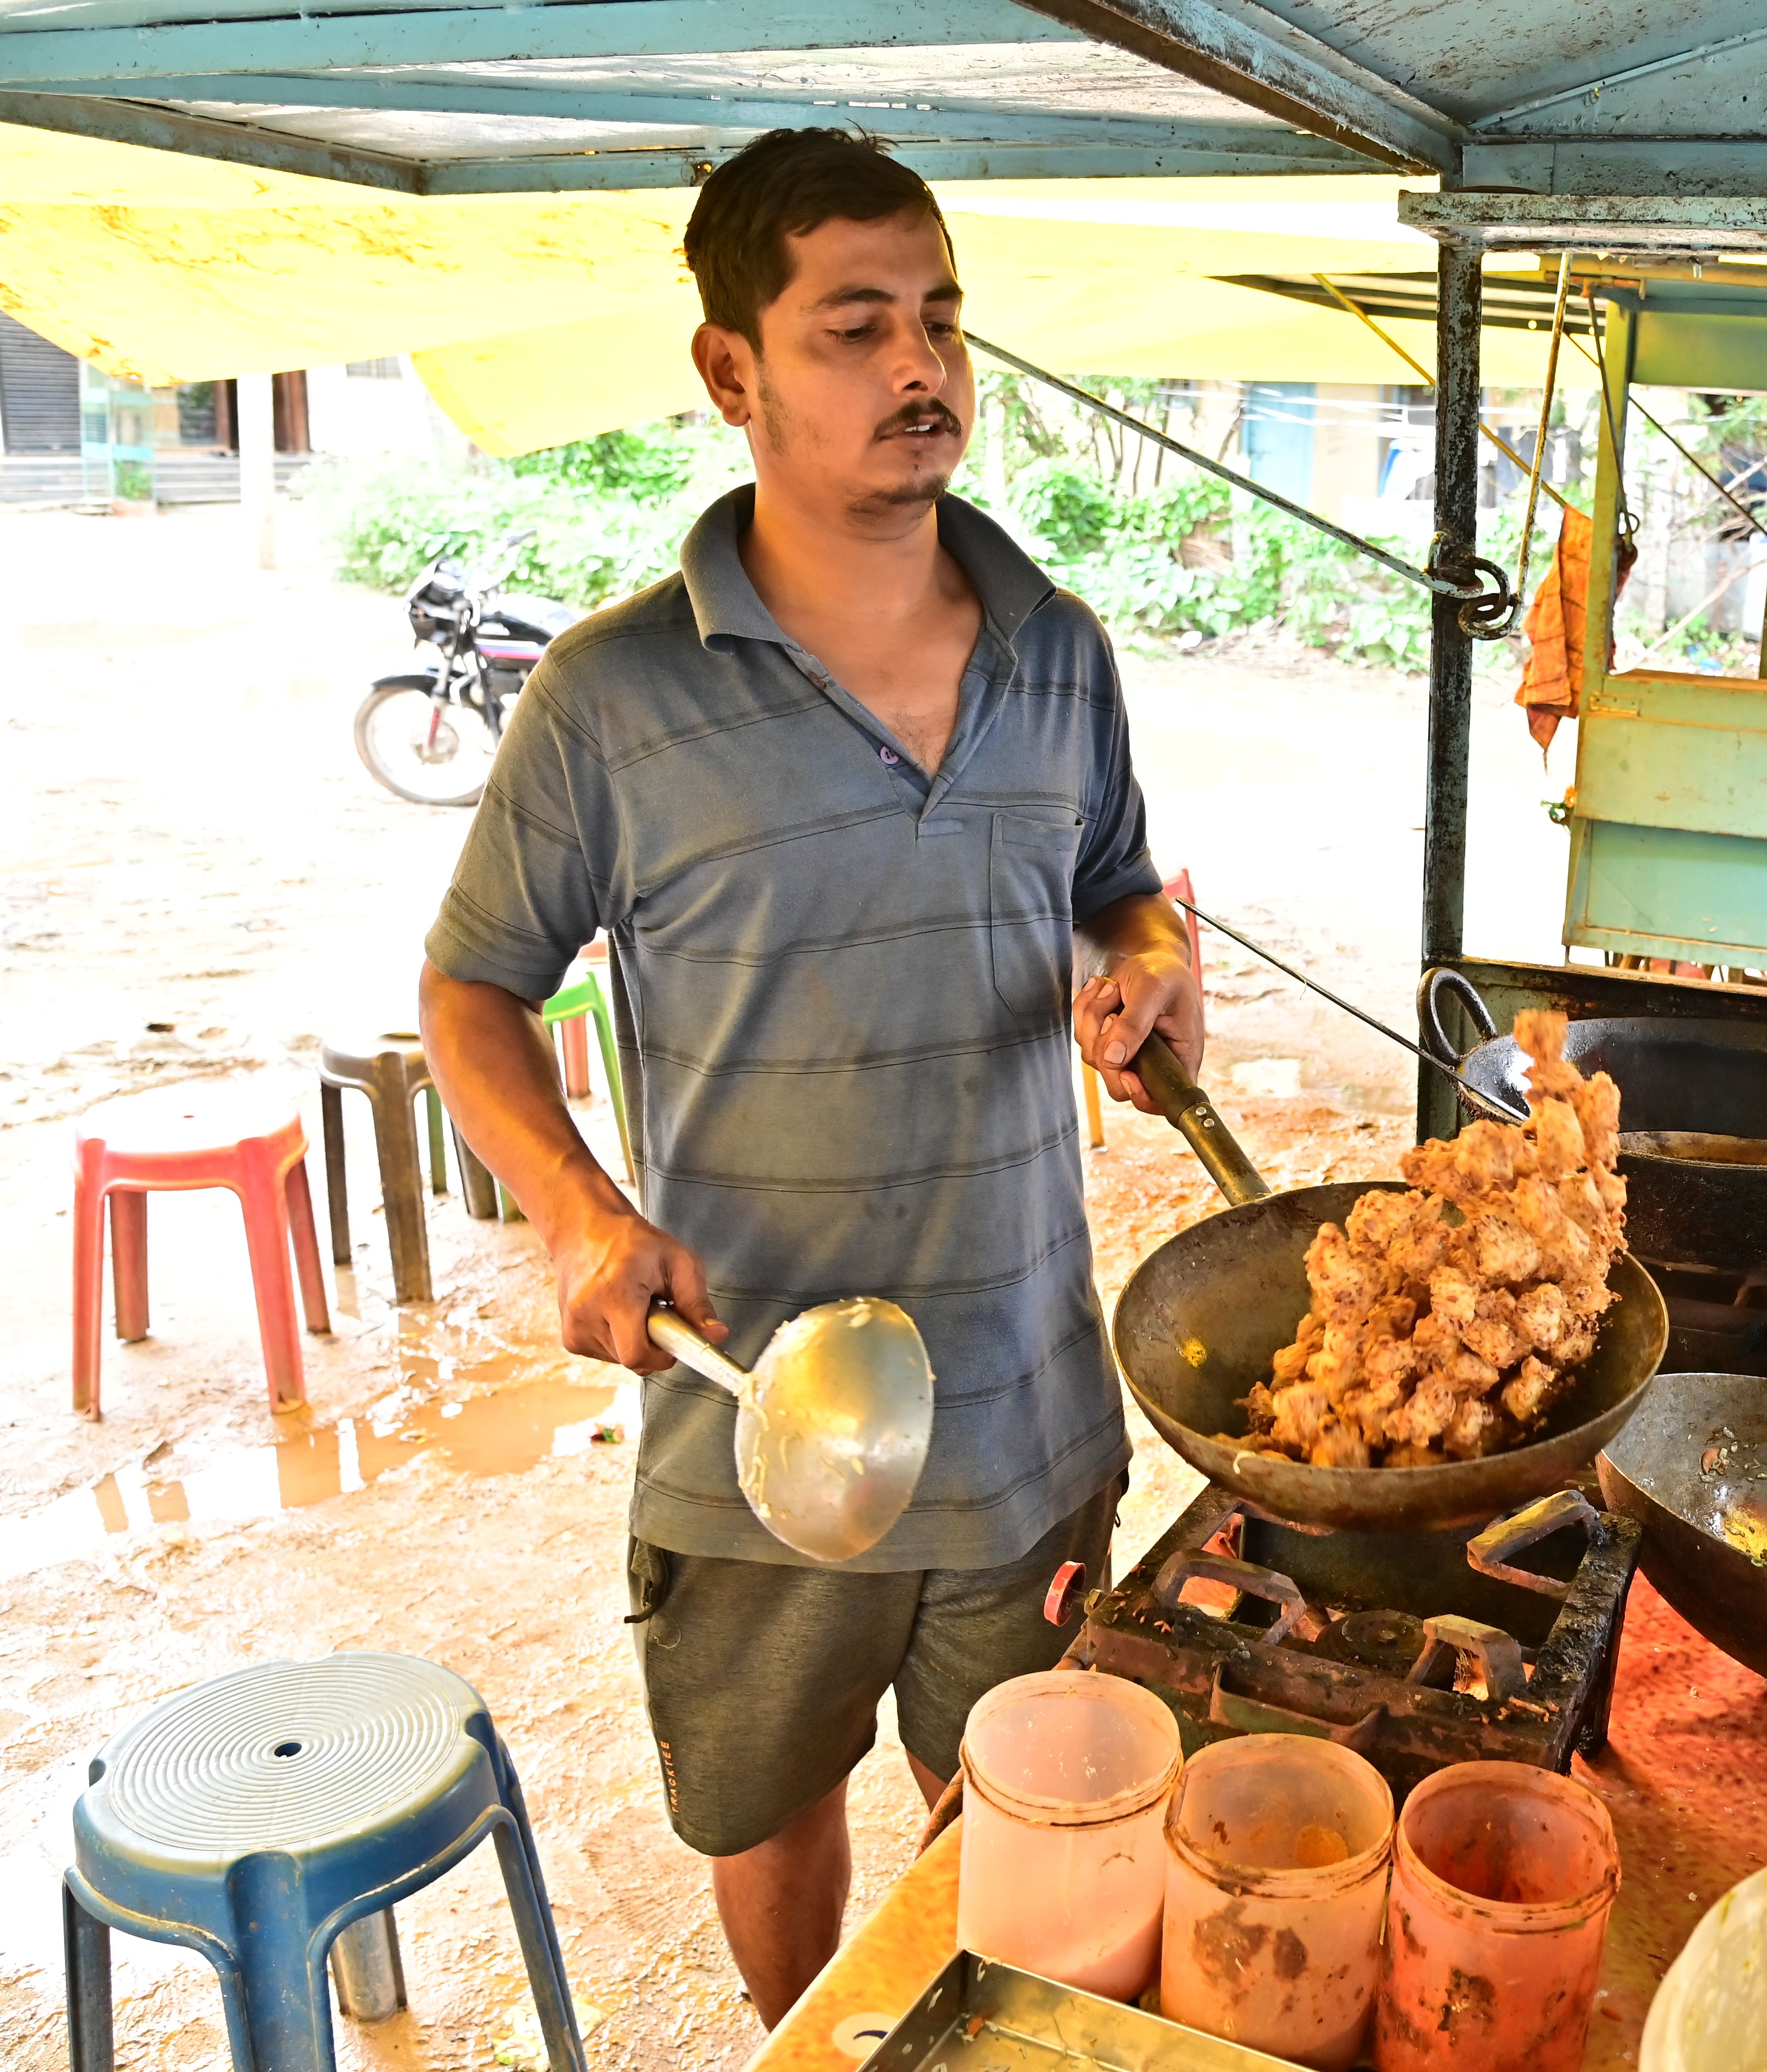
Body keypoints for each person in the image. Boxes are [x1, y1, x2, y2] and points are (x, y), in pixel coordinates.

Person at [417, 128, 1202, 2027]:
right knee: (765, 1813)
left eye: (938, 318)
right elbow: (469, 990)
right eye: (854, 325)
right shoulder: (612, 699)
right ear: (729, 371)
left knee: (1009, 1825)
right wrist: (582, 1207)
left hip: (1024, 1397)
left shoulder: (1059, 655)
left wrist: (1154, 968)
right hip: (762, 1416)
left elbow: (1119, 894)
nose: (918, 365)